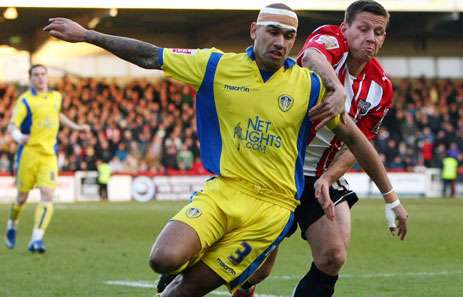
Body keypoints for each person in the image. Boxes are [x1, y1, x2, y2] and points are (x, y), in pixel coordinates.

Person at [44, 3, 405, 296]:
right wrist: (88, 35)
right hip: (228, 188)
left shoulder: (311, 87)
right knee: (164, 260)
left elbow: (358, 140)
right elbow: (152, 56)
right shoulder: (218, 66)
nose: (280, 42)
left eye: (288, 36)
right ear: (254, 31)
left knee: (325, 257)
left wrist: (390, 197)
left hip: (279, 200)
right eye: (273, 32)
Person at [234, 1, 408, 297]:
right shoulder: (328, 40)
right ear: (345, 29)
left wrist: (330, 177)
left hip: (322, 175)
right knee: (259, 268)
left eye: (378, 32)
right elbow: (312, 55)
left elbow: (359, 144)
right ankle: (228, 283)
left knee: (333, 257)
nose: (371, 37)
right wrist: (336, 88)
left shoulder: (381, 87)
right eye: (363, 29)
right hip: (280, 170)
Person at [5, 64, 90, 253]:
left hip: (49, 155)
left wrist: (77, 127)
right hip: (28, 154)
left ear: (47, 77)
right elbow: (12, 126)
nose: (40, 78)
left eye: (43, 74)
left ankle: (37, 239)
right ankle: (12, 223)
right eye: (36, 75)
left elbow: (57, 115)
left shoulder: (56, 97)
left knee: (48, 195)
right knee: (21, 197)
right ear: (30, 79)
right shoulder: (25, 101)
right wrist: (20, 137)